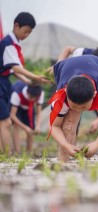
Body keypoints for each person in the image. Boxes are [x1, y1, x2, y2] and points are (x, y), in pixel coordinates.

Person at [48, 55, 98, 162]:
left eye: (84, 106)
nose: (80, 110)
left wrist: (97, 143)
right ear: (66, 94)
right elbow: (54, 126)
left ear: (94, 95)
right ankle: (64, 163)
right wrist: (65, 145)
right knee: (69, 124)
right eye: (75, 106)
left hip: (96, 66)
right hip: (65, 69)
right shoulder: (60, 96)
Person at [0, 12, 49, 153]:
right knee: (6, 122)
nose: (26, 35)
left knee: (3, 123)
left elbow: (12, 70)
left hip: (4, 82)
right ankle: (8, 156)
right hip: (1, 83)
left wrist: (29, 81)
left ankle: (4, 155)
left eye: (29, 33)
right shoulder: (8, 43)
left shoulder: (14, 43)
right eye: (25, 31)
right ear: (16, 26)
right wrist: (35, 77)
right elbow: (16, 67)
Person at [52, 46, 98, 133]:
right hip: (75, 88)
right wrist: (57, 66)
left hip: (95, 91)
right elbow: (68, 48)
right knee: (70, 122)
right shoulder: (84, 52)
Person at [10, 81, 44, 154]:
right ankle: (17, 151)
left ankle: (29, 151)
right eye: (31, 97)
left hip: (29, 108)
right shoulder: (17, 93)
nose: (32, 100)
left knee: (31, 128)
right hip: (16, 108)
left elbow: (39, 112)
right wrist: (25, 127)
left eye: (34, 98)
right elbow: (12, 115)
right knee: (16, 126)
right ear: (28, 92)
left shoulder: (40, 94)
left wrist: (38, 126)